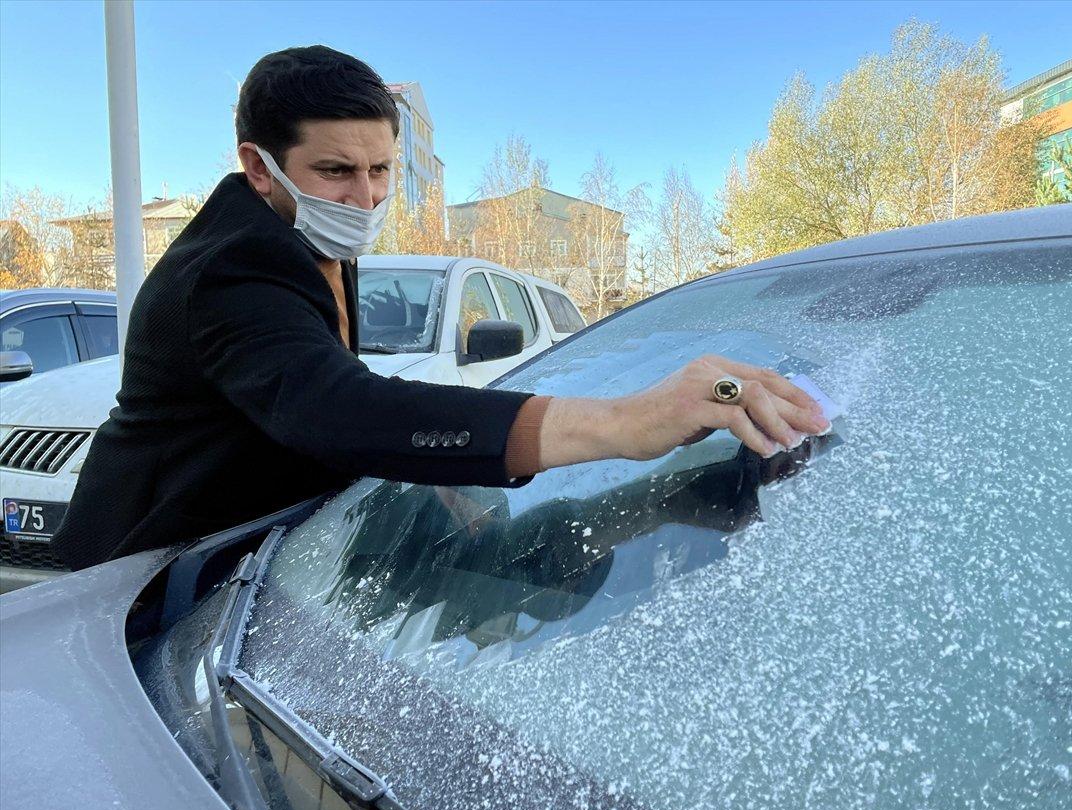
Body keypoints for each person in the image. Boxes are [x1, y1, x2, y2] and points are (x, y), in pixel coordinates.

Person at [52, 45, 827, 572]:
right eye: (335, 171)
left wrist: (440, 475)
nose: (368, 197)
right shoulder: (232, 268)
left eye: (383, 168)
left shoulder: (301, 236)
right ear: (258, 166)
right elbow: (337, 410)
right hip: (142, 592)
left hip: (256, 565)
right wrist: (624, 423)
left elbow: (323, 390)